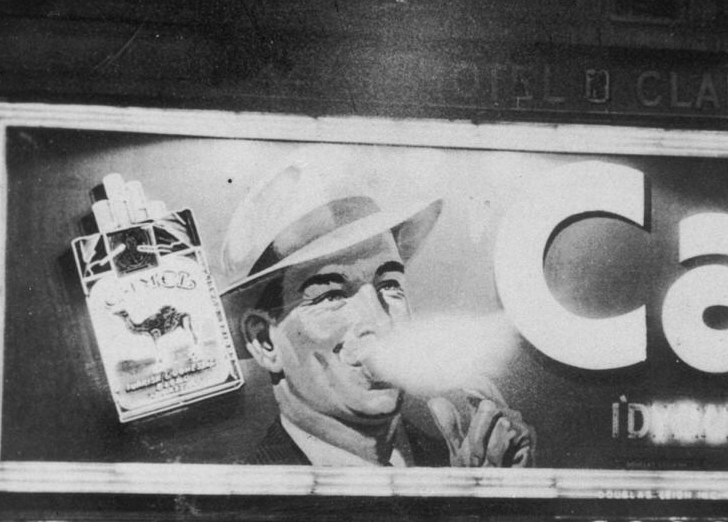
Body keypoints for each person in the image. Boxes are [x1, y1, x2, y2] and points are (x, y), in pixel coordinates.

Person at [218, 162, 534, 467]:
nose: (381, 323)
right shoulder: (245, 509)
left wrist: (502, 496)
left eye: (389, 285)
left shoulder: (451, 459)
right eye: (331, 295)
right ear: (264, 341)